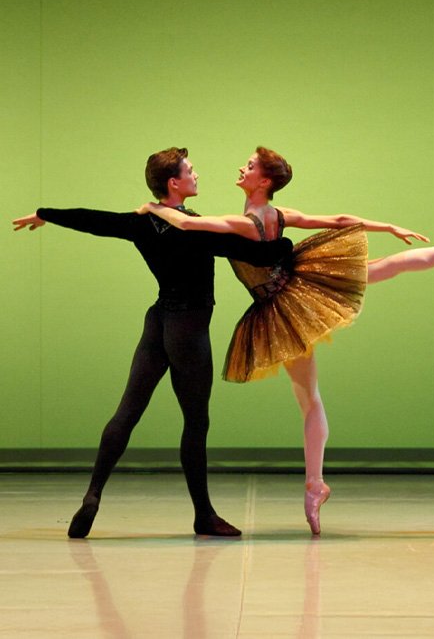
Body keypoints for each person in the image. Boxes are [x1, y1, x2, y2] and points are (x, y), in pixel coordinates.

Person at [137, 146, 434, 535]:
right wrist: (387, 227)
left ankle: (316, 484)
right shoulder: (279, 215)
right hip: (297, 287)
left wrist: (152, 208)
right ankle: (314, 484)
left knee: (310, 398)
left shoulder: (245, 223)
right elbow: (339, 220)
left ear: (264, 181)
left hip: (282, 306)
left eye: (250, 166)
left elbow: (185, 224)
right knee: (384, 269)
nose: (242, 167)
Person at [12, 147, 293, 539]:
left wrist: (45, 214)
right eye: (190, 171)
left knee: (127, 412)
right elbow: (256, 253)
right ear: (174, 183)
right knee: (196, 422)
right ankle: (204, 515)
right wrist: (286, 246)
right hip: (188, 328)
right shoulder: (197, 228)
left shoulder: (141, 222)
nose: (196, 175)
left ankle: (93, 494)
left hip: (158, 322)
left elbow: (94, 220)